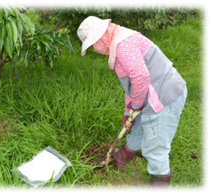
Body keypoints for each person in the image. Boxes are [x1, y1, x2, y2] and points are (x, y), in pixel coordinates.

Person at [77, 16, 187, 193]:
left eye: (92, 46)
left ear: (100, 39)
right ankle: (121, 157)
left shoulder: (122, 46)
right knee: (137, 128)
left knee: (155, 145)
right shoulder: (119, 41)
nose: (93, 49)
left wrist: (136, 106)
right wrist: (128, 112)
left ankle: (158, 188)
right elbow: (131, 85)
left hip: (163, 97)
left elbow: (140, 77)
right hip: (150, 93)